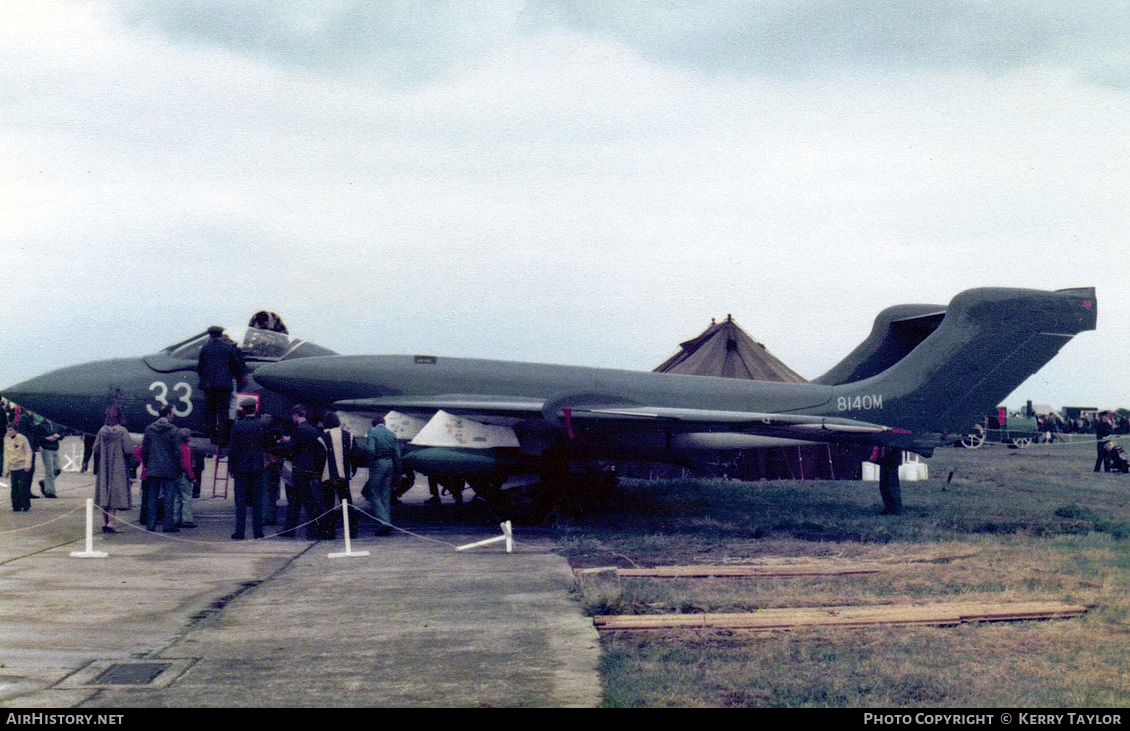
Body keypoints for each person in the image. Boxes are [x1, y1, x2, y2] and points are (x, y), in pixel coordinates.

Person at [281, 404, 328, 539]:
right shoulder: (311, 429)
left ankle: (314, 530)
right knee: (298, 501)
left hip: (299, 469)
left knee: (306, 501)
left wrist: (285, 441)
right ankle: (290, 529)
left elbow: (291, 448)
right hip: (310, 468)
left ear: (296, 415)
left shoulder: (298, 429)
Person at [196, 325, 246, 447]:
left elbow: (200, 367)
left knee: (211, 412)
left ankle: (213, 437)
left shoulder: (205, 348)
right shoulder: (227, 348)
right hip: (224, 386)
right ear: (220, 334)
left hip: (209, 386)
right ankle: (223, 439)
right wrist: (239, 378)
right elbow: (235, 366)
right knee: (223, 412)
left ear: (210, 335)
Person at [228, 398, 270, 540]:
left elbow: (233, 450)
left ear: (243, 410)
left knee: (240, 502)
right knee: (258, 501)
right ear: (255, 409)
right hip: (258, 468)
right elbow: (266, 445)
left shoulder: (237, 426)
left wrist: (231, 468)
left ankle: (240, 532)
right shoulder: (261, 425)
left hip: (241, 468)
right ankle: (258, 532)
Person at [141, 404, 182, 532]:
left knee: (152, 497)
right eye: (172, 414)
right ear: (168, 414)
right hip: (169, 469)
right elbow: (177, 452)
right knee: (169, 498)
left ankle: (150, 525)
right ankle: (168, 524)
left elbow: (145, 450)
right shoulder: (174, 430)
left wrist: (147, 465)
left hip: (153, 467)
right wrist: (178, 468)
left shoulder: (149, 429)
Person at [93, 406, 133, 532]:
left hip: (104, 466)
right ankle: (111, 523)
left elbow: (96, 448)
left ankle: (105, 522)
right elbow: (128, 449)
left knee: (104, 493)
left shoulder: (102, 431)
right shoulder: (123, 431)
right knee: (115, 494)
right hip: (118, 466)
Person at [319, 411, 357, 539]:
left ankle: (329, 533)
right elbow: (354, 455)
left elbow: (319, 459)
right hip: (344, 476)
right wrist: (353, 470)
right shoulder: (349, 436)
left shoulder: (322, 438)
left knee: (329, 505)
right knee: (347, 503)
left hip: (328, 477)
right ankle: (352, 531)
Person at [365, 415, 401, 536]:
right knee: (386, 494)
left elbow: (370, 449)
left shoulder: (372, 432)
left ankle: (384, 521)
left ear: (373, 423)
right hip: (390, 463)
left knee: (374, 493)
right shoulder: (391, 434)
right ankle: (387, 521)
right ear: (384, 423)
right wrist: (398, 470)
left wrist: (370, 462)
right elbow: (397, 454)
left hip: (378, 463)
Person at [4, 421, 33, 512]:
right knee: (14, 487)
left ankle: (25, 505)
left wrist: (28, 465)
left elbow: (28, 451)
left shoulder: (22, 439)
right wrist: (6, 470)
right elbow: (6, 455)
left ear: (16, 431)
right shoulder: (7, 439)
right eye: (8, 430)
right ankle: (15, 506)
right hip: (13, 466)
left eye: (11, 430)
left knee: (22, 487)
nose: (9, 432)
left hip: (22, 466)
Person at [175, 428, 197, 529]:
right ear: (188, 438)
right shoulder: (186, 449)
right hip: (184, 476)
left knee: (177, 497)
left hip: (176, 475)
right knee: (187, 497)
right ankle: (187, 519)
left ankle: (176, 519)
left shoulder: (177, 447)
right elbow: (187, 465)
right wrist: (192, 477)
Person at [35, 418, 62, 498]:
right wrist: (46, 438)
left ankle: (45, 482)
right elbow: (37, 437)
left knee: (58, 469)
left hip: (55, 448)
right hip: (46, 448)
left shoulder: (56, 425)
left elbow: (62, 433)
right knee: (49, 470)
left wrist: (59, 436)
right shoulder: (41, 425)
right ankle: (50, 491)